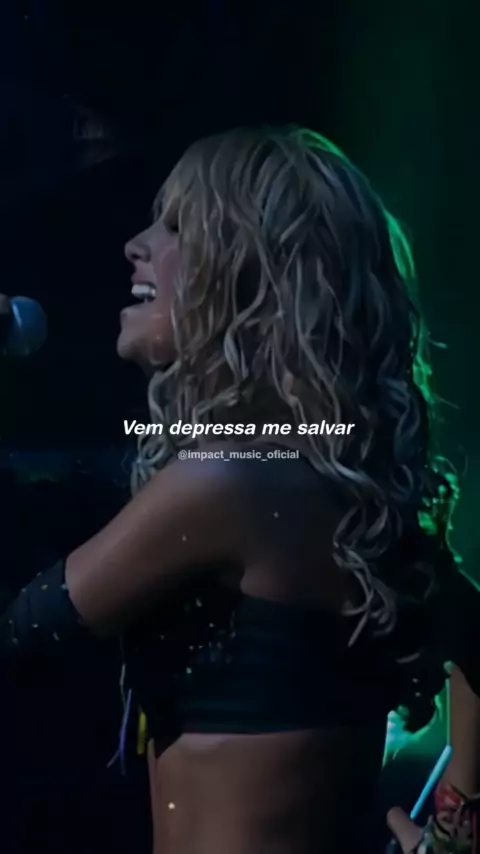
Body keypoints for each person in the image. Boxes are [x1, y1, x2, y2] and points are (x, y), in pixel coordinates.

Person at [1, 127, 479, 854]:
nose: (136, 244)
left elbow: (21, 633)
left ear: (256, 274)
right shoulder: (328, 478)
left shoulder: (228, 480)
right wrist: (456, 825)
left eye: (177, 226)